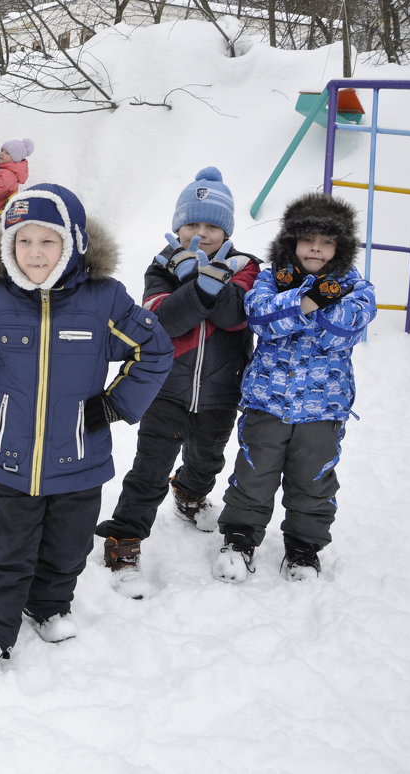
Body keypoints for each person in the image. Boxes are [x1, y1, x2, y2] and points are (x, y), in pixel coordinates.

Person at [0, 183, 174, 683]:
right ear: (8, 247)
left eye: (47, 241)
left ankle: (47, 604)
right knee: (6, 548)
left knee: (68, 545)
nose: (34, 253)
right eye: (23, 241)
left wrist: (115, 404)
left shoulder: (103, 300)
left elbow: (154, 352)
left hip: (80, 456)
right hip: (12, 457)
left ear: (72, 243)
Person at [94, 167, 260, 599]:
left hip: (222, 391)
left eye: (212, 226)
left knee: (207, 459)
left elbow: (233, 316)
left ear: (227, 231)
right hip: (165, 389)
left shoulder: (246, 268)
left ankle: (189, 493)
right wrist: (192, 282)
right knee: (149, 470)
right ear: (177, 227)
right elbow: (163, 320)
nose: (201, 234)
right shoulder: (162, 265)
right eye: (192, 224)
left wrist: (205, 282)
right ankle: (125, 539)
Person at [213, 192, 375, 583]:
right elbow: (261, 318)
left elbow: (344, 329)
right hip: (268, 401)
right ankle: (239, 540)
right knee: (254, 474)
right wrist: (313, 300)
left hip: (324, 407)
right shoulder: (271, 277)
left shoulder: (356, 285)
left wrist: (299, 308)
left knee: (313, 479)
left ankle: (304, 547)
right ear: (292, 242)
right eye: (307, 240)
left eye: (326, 242)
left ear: (341, 247)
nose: (316, 249)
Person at [0, 139, 33, 211]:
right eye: (2, 150)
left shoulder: (8, 175)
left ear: (15, 159)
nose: (2, 153)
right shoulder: (2, 169)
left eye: (7, 153)